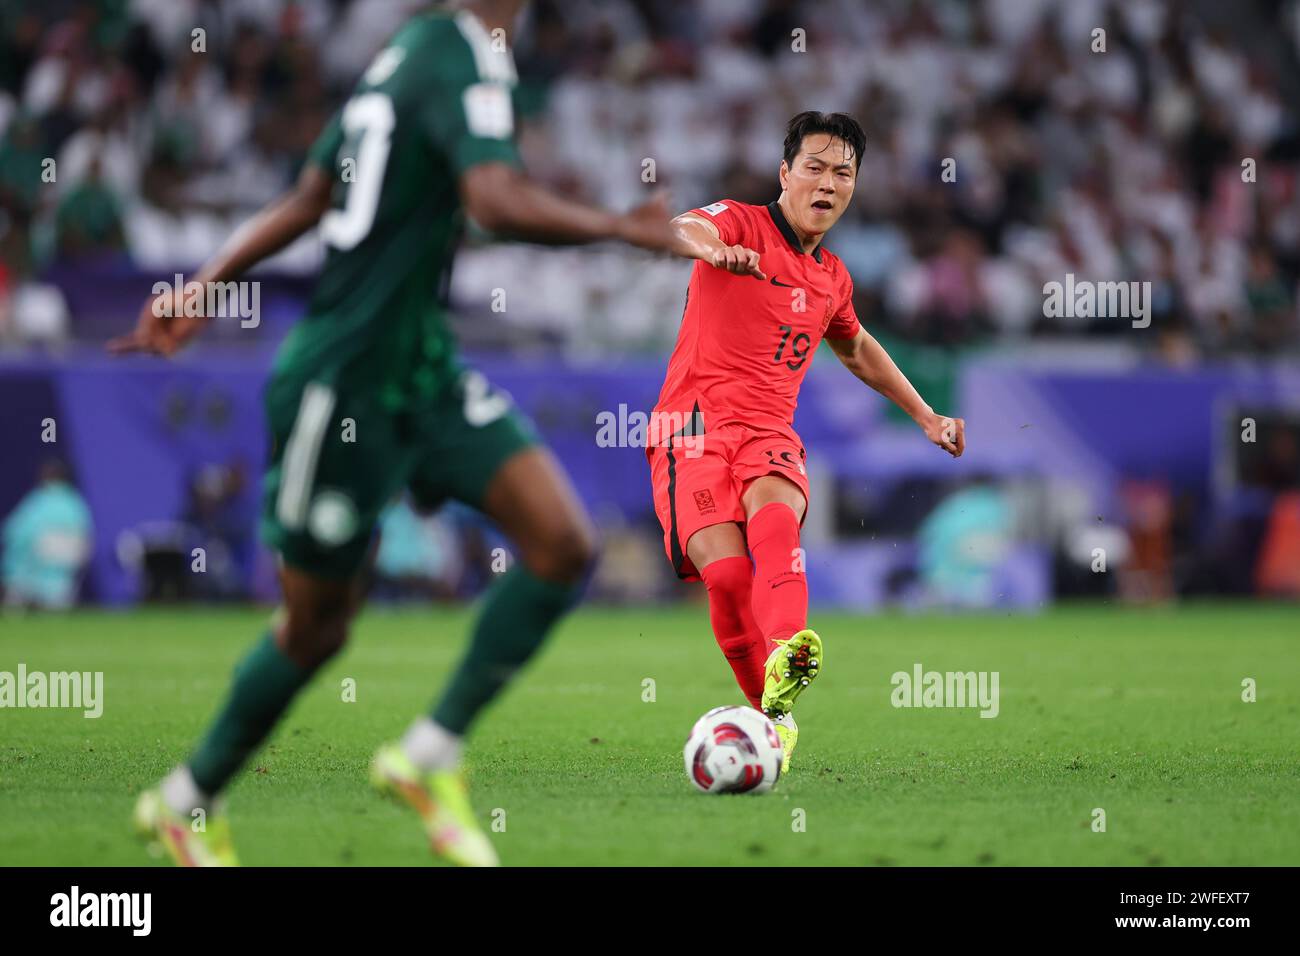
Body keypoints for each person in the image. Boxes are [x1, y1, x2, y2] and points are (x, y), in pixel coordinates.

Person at [112, 0, 672, 867]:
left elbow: (310, 193)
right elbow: (491, 199)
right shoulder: (460, 55)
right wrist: (620, 230)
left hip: (422, 368)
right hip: (344, 381)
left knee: (561, 542)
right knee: (317, 627)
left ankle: (427, 756)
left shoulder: (409, 53)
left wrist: (204, 284)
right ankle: (185, 802)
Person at [650, 111, 966, 772]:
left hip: (769, 434)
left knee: (775, 520)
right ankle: (773, 718)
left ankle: (789, 648)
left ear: (854, 186)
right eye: (814, 167)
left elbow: (856, 349)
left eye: (842, 172)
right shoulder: (740, 221)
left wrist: (925, 415)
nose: (827, 182)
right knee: (729, 577)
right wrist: (709, 248)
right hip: (692, 429)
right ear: (785, 173)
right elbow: (682, 227)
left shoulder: (833, 279)